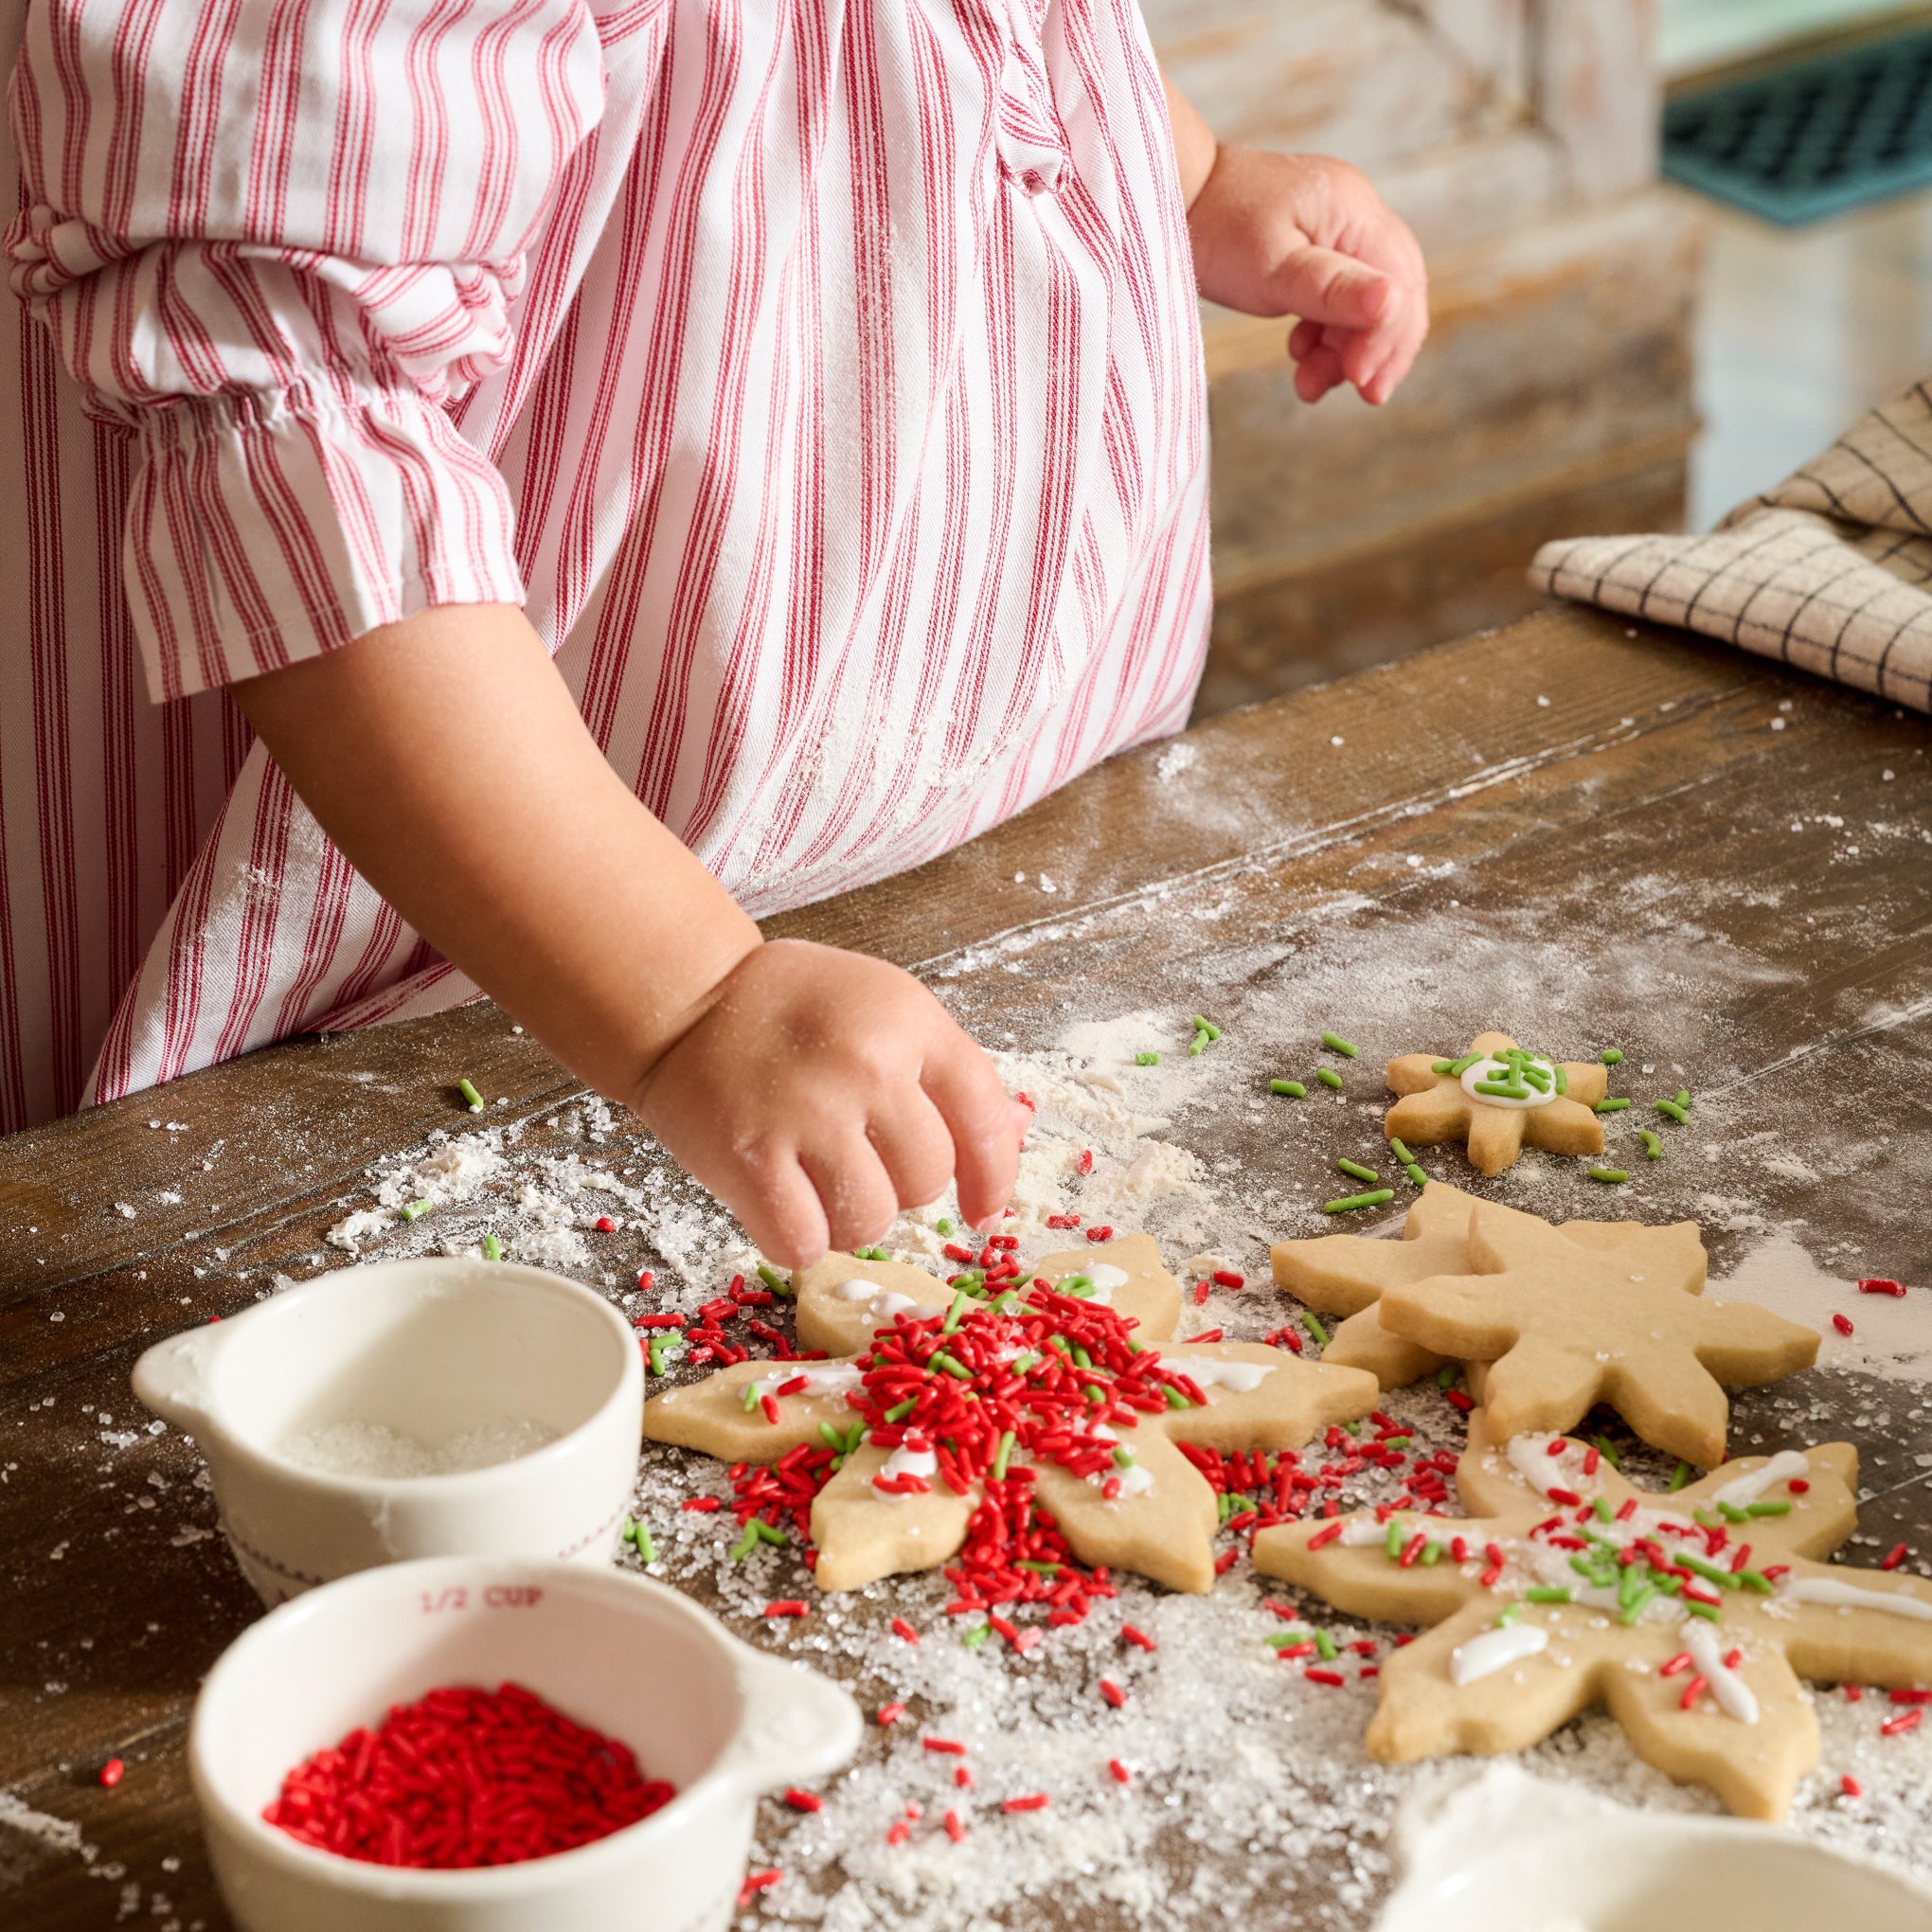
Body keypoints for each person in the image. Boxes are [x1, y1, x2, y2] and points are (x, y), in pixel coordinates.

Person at [0, 1, 1425, 1263]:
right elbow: (297, 430)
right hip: (480, 968)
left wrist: (1189, 180)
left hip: (935, 899)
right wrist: (686, 996)